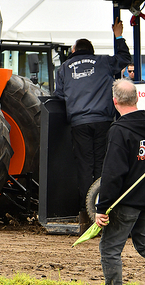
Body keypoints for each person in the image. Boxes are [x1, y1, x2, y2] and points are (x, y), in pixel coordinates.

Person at [55, 18, 131, 222]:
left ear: (74, 50)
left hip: (79, 123)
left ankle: (85, 210)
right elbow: (124, 58)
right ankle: (102, 206)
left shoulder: (63, 68)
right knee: (102, 164)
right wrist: (118, 35)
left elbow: (59, 96)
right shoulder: (104, 61)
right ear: (91, 49)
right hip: (103, 121)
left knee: (84, 166)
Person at [95, 79, 145, 285]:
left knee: (110, 248)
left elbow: (113, 173)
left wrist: (102, 207)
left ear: (114, 101)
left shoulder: (119, 130)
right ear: (136, 98)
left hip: (127, 202)